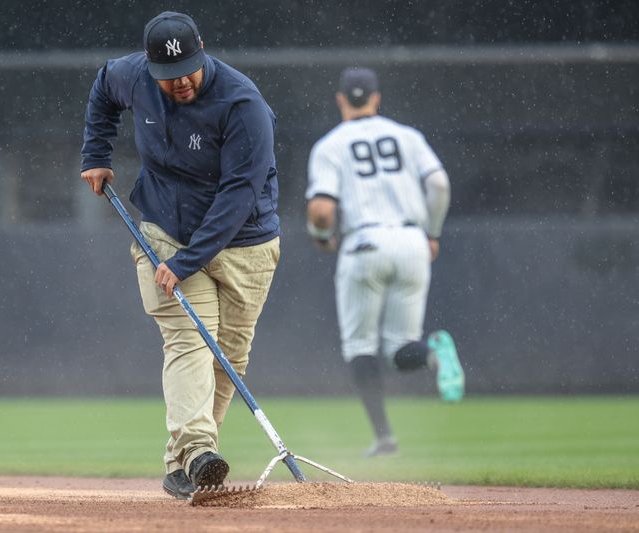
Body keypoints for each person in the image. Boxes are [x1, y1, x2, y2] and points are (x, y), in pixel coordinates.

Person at [80, 12, 280, 499]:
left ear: (202, 50)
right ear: (149, 68)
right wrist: (95, 154)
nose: (181, 82)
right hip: (164, 229)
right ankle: (197, 453)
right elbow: (104, 89)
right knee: (190, 339)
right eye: (168, 77)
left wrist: (189, 261)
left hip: (244, 243)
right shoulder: (131, 76)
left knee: (228, 357)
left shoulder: (243, 105)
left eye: (188, 70)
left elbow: (237, 195)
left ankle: (183, 461)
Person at [305, 67, 465, 457]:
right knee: (400, 349)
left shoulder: (331, 145)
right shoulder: (408, 137)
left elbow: (322, 210)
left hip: (364, 243)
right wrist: (432, 233)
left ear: (341, 99)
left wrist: (323, 237)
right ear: (376, 98)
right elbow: (440, 184)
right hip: (411, 241)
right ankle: (432, 352)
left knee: (361, 345)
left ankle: (384, 437)